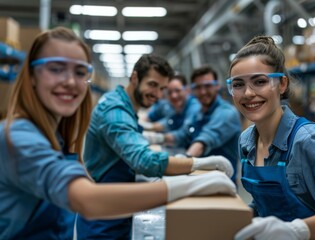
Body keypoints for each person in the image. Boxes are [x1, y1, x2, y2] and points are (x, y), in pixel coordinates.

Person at [0, 26, 238, 240]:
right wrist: (191, 180)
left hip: (111, 216)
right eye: (55, 68)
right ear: (31, 75)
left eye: (80, 72)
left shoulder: (55, 136)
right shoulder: (19, 138)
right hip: (101, 224)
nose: (71, 81)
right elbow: (88, 199)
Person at [77, 54, 235, 239]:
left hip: (117, 209)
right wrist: (195, 164)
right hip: (101, 219)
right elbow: (144, 160)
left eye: (162, 88)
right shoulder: (115, 111)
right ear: (135, 77)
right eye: (153, 85)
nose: (159, 95)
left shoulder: (125, 107)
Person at [227, 36, 315, 240]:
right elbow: (265, 202)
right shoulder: (246, 141)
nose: (248, 93)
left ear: (281, 84)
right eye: (238, 84)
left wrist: (296, 231)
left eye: (260, 81)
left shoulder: (307, 141)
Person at [163, 65, 242, 183]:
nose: (203, 91)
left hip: (221, 183)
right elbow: (182, 135)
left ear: (217, 86)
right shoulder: (198, 113)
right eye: (198, 87)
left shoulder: (227, 113)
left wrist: (184, 159)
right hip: (197, 176)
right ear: (192, 89)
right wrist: (156, 138)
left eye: (208, 86)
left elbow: (204, 140)